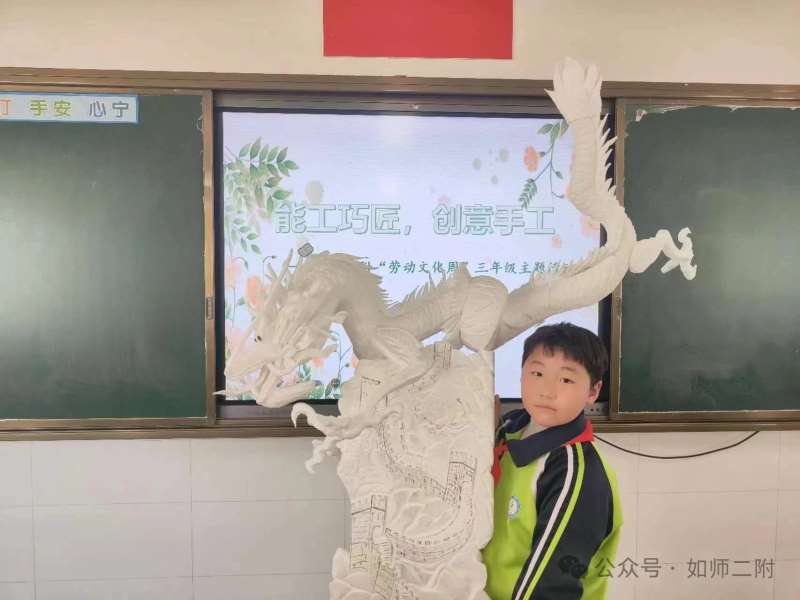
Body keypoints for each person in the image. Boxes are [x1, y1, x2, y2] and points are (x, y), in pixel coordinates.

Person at [482, 322, 623, 600]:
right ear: (521, 375)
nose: (547, 391)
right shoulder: (508, 429)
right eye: (537, 373)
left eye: (566, 380)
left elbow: (550, 587)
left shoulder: (575, 472)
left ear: (593, 391)